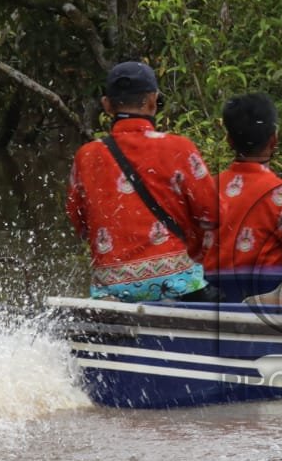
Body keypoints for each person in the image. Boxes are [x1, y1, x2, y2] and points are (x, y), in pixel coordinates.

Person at [66, 61, 219, 302]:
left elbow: (80, 224)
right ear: (153, 101)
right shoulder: (179, 148)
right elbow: (211, 215)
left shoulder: (86, 156)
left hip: (110, 290)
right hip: (179, 284)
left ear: (106, 105)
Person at [204, 93, 282, 273]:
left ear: (229, 141)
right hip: (267, 299)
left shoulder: (206, 191)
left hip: (208, 300)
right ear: (274, 140)